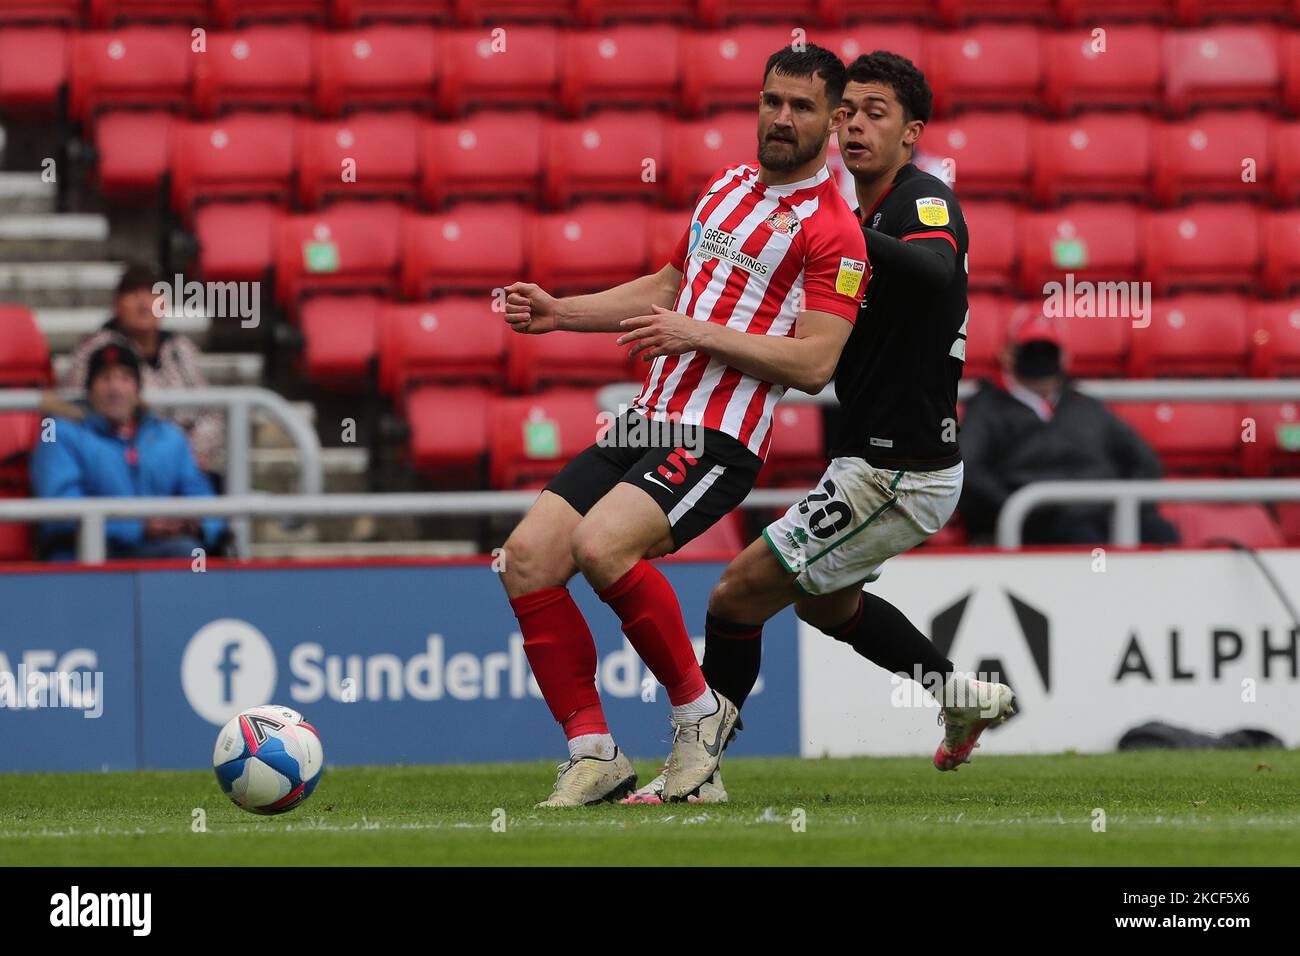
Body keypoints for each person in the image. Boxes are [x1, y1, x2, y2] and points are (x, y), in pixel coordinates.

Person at [625, 51, 1015, 805]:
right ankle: (958, 693)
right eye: (849, 112)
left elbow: (936, 271)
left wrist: (834, 239)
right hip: (870, 460)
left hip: (903, 468)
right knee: (823, 602)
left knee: (735, 596)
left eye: (877, 113)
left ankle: (698, 772)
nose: (856, 125)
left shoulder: (922, 200)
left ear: (913, 134)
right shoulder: (850, 214)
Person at [500, 44, 869, 806]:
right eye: (772, 101)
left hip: (720, 433)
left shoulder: (835, 231)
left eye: (801, 107)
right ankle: (593, 751)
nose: (781, 118)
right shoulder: (728, 187)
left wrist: (700, 333)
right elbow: (672, 285)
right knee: (526, 558)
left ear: (833, 121)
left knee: (602, 546)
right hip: (649, 421)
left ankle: (699, 717)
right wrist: (561, 313)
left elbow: (814, 365)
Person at [959, 311, 1180, 546]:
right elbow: (969, 471)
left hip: (1100, 512)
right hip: (1039, 522)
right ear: (1008, 353)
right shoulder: (987, 407)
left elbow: (1145, 461)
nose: (1040, 358)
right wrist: (1016, 506)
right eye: (1031, 349)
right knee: (1082, 538)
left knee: (1160, 534)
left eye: (1048, 350)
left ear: (1064, 357)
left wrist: (1124, 505)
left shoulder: (1085, 406)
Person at [31, 342, 228, 561]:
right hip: (86, 553)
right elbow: (59, 507)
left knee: (192, 553)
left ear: (138, 389)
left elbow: (201, 495)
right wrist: (139, 527)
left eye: (125, 378)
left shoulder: (169, 436)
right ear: (89, 389)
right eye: (105, 378)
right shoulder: (60, 434)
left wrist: (198, 525)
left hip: (160, 548)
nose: (115, 388)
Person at [64, 262, 225, 480]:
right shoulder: (95, 351)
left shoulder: (182, 349)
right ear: (116, 304)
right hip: (121, 469)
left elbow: (211, 414)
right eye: (133, 294)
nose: (144, 303)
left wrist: (187, 455)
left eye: (153, 293)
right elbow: (76, 416)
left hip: (188, 466)